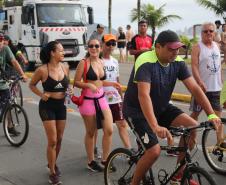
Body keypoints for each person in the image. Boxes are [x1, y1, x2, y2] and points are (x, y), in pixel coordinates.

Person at [123, 30, 221, 185]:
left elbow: (194, 88)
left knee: (192, 126)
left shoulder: (178, 62)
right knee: (154, 151)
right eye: (171, 49)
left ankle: (178, 175)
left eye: (177, 49)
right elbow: (144, 95)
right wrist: (155, 126)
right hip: (137, 111)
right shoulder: (145, 61)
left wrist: (211, 115)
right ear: (158, 47)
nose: (175, 52)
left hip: (161, 107)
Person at [73, 38, 121, 172]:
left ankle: (105, 160)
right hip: (88, 101)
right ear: (88, 48)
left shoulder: (101, 62)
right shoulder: (83, 63)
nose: (94, 48)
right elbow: (76, 83)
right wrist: (88, 84)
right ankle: (91, 161)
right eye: (91, 46)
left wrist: (112, 84)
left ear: (100, 47)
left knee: (109, 130)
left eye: (96, 46)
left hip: (102, 99)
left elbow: (100, 82)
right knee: (91, 132)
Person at [29, 41, 69, 185]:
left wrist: (68, 92)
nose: (63, 53)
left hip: (61, 106)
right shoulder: (42, 70)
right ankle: (52, 172)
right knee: (52, 140)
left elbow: (67, 85)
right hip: (47, 106)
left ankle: (51, 163)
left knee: (59, 139)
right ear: (52, 53)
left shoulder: (65, 67)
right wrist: (41, 94)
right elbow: (31, 85)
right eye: (61, 50)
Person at [190, 22, 226, 148]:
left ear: (214, 33)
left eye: (211, 31)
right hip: (201, 90)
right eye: (206, 31)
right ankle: (191, 138)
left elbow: (219, 65)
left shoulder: (216, 46)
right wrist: (199, 82)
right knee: (194, 116)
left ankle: (219, 143)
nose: (209, 33)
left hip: (216, 88)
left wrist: (221, 80)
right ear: (202, 33)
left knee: (217, 118)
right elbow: (194, 66)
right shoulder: (197, 47)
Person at [102, 33, 131, 149]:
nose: (111, 46)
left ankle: (128, 150)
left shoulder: (115, 61)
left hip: (115, 99)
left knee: (122, 124)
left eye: (113, 44)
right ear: (102, 44)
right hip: (102, 100)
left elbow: (117, 80)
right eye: (108, 43)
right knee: (105, 130)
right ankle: (100, 154)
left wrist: (121, 97)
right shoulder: (98, 61)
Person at [0, 33, 27, 136]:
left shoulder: (6, 49)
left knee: (8, 105)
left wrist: (23, 75)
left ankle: (10, 127)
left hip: (2, 82)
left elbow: (14, 62)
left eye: (1, 41)